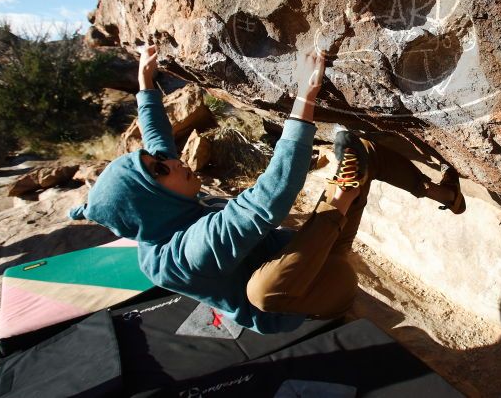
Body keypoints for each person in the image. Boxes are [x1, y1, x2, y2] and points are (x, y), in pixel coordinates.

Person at [69, 43, 465, 333]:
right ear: (148, 201)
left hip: (306, 249)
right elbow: (263, 204)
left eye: (161, 160)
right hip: (300, 300)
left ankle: (442, 194)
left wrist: (146, 84)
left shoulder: (160, 203)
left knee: (357, 150)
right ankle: (337, 206)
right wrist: (303, 99)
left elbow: (156, 145)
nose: (173, 159)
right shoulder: (180, 257)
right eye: (160, 170)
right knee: (262, 290)